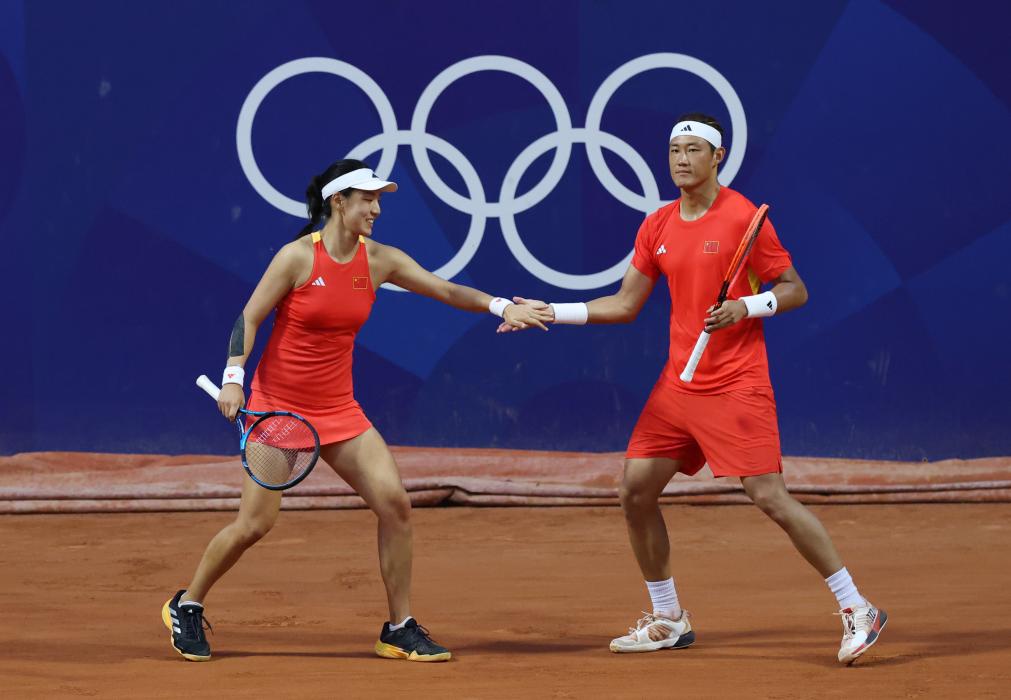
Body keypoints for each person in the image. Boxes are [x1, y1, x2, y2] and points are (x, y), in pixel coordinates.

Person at [500, 113, 887, 665]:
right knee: (635, 490)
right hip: (677, 387)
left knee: (769, 496)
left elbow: (795, 289)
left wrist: (745, 307)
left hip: (736, 384)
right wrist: (551, 312)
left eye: (693, 150)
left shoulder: (743, 218)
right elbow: (625, 304)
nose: (681, 160)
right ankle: (668, 618)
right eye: (674, 150)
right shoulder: (657, 225)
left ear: (717, 156)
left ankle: (857, 607)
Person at [162, 159, 551, 663]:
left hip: (339, 411)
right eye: (367, 199)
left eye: (379, 199)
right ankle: (187, 603)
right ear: (338, 202)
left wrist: (502, 306)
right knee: (254, 524)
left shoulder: (381, 260)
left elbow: (446, 290)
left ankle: (399, 627)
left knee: (395, 505)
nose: (376, 209)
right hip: (278, 412)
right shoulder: (296, 258)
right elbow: (249, 317)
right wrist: (234, 378)